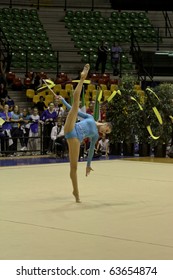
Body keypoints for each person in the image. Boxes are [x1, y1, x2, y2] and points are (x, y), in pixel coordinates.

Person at [55, 64, 112, 203]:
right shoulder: (91, 118)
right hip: (71, 126)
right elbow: (76, 111)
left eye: (107, 133)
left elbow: (92, 149)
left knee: (73, 167)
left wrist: (88, 165)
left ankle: (76, 191)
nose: (105, 133)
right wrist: (63, 101)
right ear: (105, 124)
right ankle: (82, 78)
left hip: (74, 138)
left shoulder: (96, 136)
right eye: (107, 130)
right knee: (75, 104)